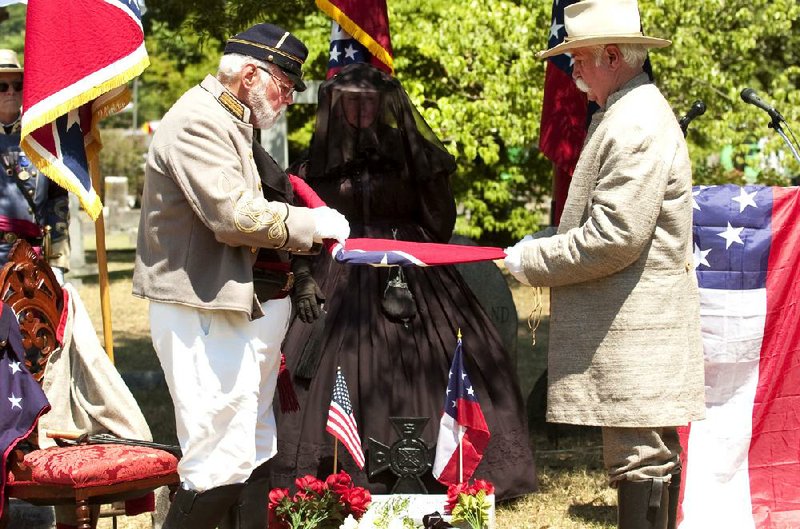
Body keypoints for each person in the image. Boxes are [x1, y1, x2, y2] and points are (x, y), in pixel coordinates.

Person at [272, 63, 537, 501]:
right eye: (351, 101)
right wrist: (304, 276)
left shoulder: (409, 154)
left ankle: (442, 462)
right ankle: (337, 469)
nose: (360, 109)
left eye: (369, 101)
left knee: (440, 358)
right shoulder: (313, 162)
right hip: (339, 269)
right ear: (335, 106)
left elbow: (439, 224)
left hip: (410, 271)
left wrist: (426, 177)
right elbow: (301, 225)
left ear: (384, 105)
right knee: (328, 366)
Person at [132, 23, 350, 529]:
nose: (291, 99)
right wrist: (311, 225)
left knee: (252, 446)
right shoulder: (198, 122)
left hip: (225, 305)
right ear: (250, 73)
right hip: (198, 307)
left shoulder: (230, 120)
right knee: (215, 457)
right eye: (285, 85)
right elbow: (233, 216)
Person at [504, 1, 704, 527]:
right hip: (639, 323)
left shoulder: (632, 122)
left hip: (635, 325)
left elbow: (614, 237)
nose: (571, 73)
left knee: (638, 459)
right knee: (651, 457)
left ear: (613, 56)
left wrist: (533, 259)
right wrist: (543, 241)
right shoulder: (630, 111)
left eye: (578, 60)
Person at [0, 49, 70, 283]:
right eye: (2, 86)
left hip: (30, 257)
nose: (10, 91)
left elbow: (57, 201)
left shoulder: (42, 137)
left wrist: (58, 262)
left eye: (17, 86)